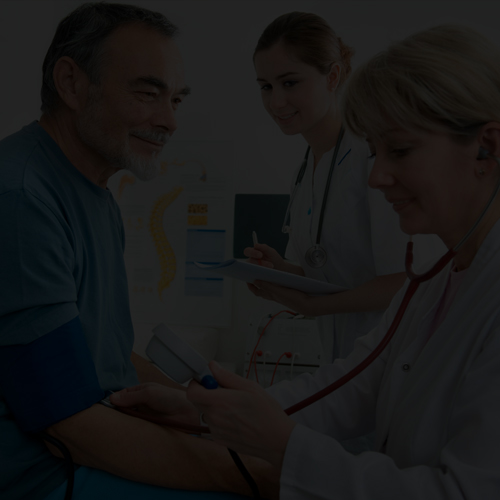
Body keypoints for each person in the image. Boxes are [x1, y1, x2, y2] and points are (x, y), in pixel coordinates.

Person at [112, 24, 500, 499]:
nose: (377, 176)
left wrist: (288, 447)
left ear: (488, 146)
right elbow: (357, 384)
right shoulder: (437, 279)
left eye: (399, 151)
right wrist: (207, 411)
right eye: (376, 153)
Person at [0, 3, 275, 499]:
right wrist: (263, 475)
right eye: (148, 94)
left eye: (176, 100)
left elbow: (97, 354)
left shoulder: (97, 193)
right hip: (42, 478)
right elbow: (69, 424)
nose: (168, 121)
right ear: (71, 83)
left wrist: (195, 402)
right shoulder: (21, 198)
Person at [244, 12, 444, 365]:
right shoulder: (305, 170)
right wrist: (281, 272)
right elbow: (327, 272)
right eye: (266, 86)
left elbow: (410, 277)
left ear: (333, 76)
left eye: (290, 83)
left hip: (398, 356)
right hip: (341, 362)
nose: (276, 102)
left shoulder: (373, 156)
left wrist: (315, 306)